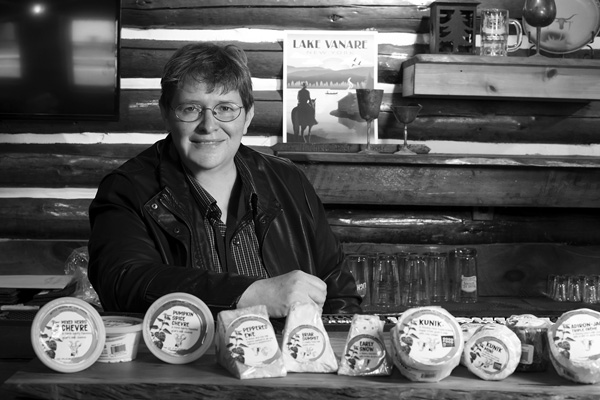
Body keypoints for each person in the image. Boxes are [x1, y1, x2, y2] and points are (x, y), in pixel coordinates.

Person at [87, 43, 361, 319]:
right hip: (184, 361)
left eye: (226, 108)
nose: (209, 125)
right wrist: (250, 294)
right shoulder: (127, 188)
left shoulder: (289, 181)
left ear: (249, 115)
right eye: (191, 108)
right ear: (166, 114)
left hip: (289, 359)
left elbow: (339, 295)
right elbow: (122, 282)